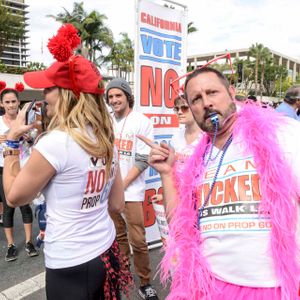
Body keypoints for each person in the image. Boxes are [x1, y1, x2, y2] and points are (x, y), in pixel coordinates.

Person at [139, 67, 300, 300]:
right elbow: (179, 226)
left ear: (231, 92)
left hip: (274, 288)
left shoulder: (283, 134)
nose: (206, 103)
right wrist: (166, 173)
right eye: (196, 98)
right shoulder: (195, 157)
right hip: (210, 288)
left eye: (212, 92)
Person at [2, 24, 132, 300]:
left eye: (49, 88)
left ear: (67, 95)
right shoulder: (106, 139)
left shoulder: (57, 142)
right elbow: (117, 204)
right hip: (105, 251)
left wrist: (11, 143)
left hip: (70, 263)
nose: (42, 96)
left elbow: (14, 197)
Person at [106, 78, 159, 300]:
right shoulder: (107, 120)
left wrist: (121, 185)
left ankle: (145, 282)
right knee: (118, 237)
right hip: (108, 192)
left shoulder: (142, 121)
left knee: (138, 240)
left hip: (132, 192)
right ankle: (124, 273)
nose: (114, 100)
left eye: (118, 95)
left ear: (128, 96)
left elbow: (142, 160)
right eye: (110, 96)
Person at [0, 81, 38, 261]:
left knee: (25, 206)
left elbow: (34, 141)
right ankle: (10, 245)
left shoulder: (26, 119)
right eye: (7, 102)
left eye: (13, 101)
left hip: (24, 166)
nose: (11, 105)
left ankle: (29, 242)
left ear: (18, 102)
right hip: (4, 168)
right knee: (8, 208)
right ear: (2, 104)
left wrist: (27, 138)